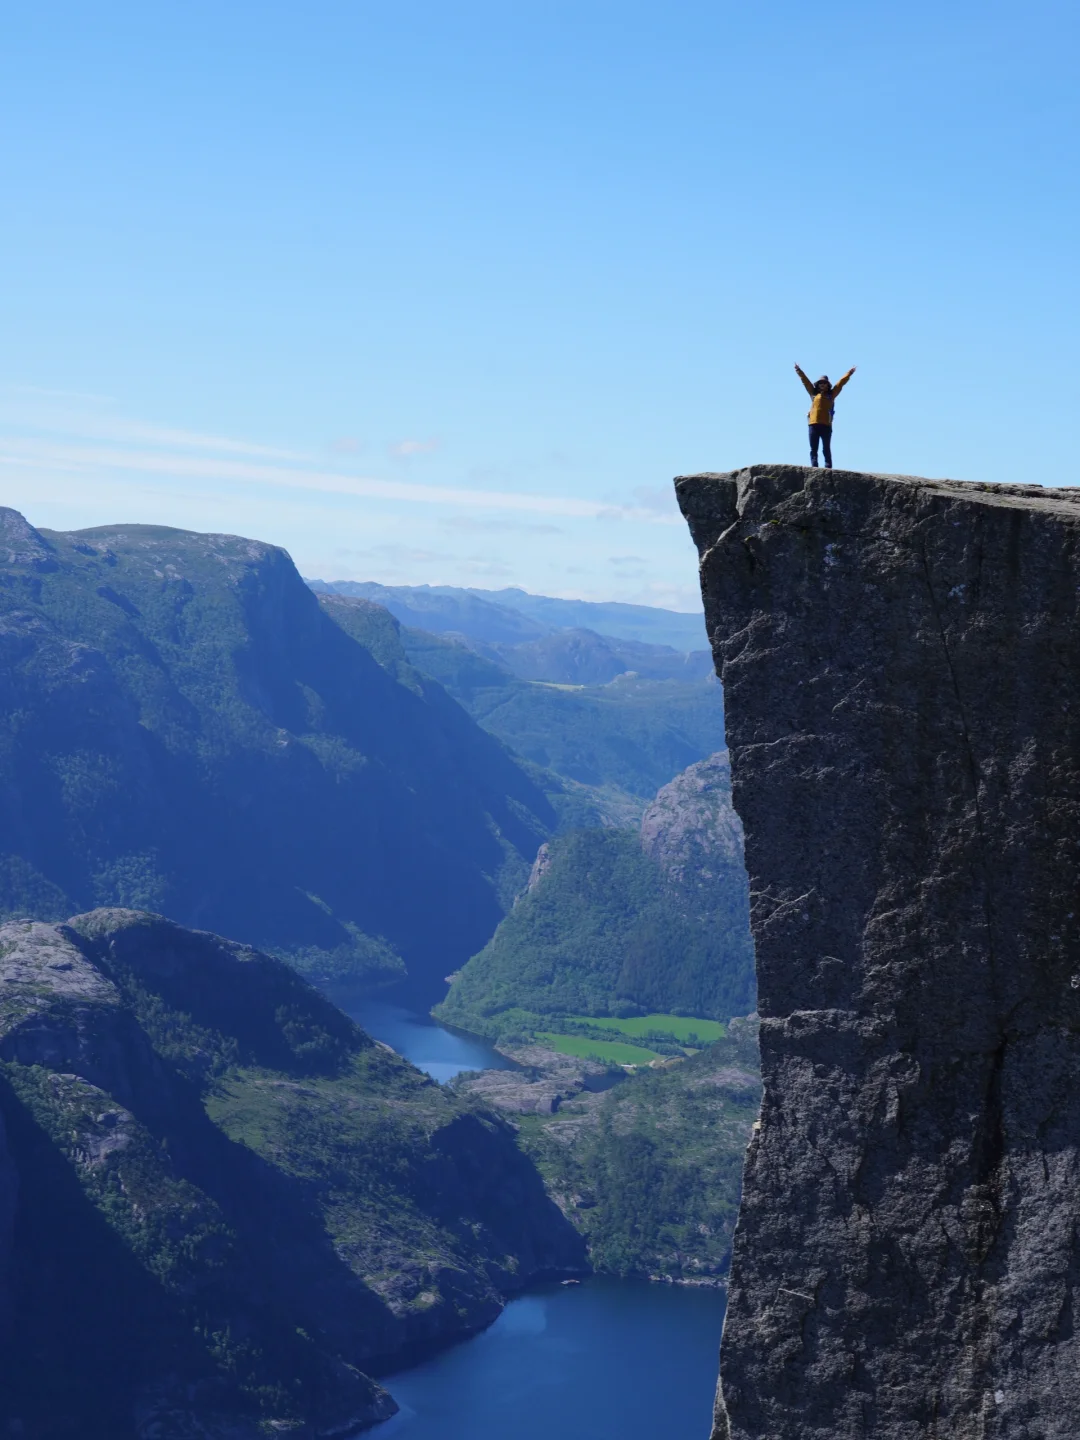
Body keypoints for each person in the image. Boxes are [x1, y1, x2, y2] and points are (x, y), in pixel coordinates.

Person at [794, 363, 856, 469]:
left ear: (828, 385)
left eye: (824, 383)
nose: (822, 384)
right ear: (817, 385)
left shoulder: (831, 395)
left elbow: (840, 384)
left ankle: (828, 467)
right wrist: (798, 370)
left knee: (826, 448)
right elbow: (806, 382)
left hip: (826, 425)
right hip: (813, 424)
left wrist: (849, 373)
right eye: (820, 383)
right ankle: (814, 467)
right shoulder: (813, 394)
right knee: (813, 448)